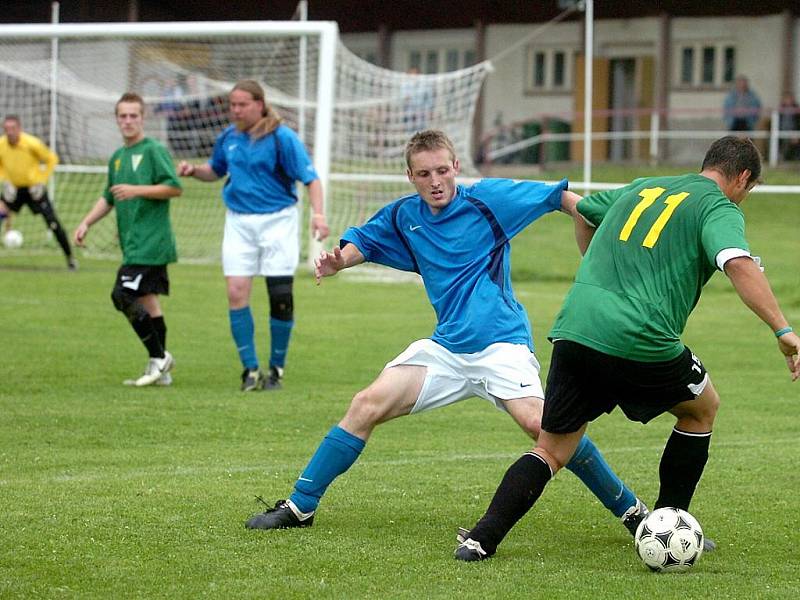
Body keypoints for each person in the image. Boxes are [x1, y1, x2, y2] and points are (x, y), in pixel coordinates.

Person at [244, 129, 648, 536]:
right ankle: (300, 506)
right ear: (410, 176)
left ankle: (633, 513)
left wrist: (596, 232)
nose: (435, 181)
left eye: (442, 170)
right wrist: (339, 261)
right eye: (424, 174)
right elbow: (364, 240)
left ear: (456, 167)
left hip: (501, 345)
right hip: (446, 350)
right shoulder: (405, 217)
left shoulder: (488, 200)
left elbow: (559, 198)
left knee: (543, 427)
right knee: (366, 404)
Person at [455, 136, 800, 562]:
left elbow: (582, 210)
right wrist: (783, 329)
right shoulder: (717, 206)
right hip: (642, 337)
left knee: (551, 448)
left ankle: (481, 540)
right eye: (748, 190)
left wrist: (598, 271)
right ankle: (671, 526)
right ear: (743, 178)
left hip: (576, 327)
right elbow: (737, 263)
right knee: (701, 408)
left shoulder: (643, 187)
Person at [178, 79, 329, 392]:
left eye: (242, 104)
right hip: (238, 223)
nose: (236, 110)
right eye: (232, 104)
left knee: (280, 297)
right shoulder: (228, 138)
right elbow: (215, 170)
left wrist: (318, 215)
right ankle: (249, 369)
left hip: (278, 222)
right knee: (235, 292)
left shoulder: (281, 137)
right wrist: (194, 171)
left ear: (259, 104)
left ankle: (276, 369)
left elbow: (310, 180)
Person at [73, 93, 182, 387]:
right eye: (123, 116)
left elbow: (174, 187)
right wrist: (86, 222)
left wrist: (137, 190)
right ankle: (162, 370)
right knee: (149, 301)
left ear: (143, 118)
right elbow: (109, 196)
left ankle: (159, 357)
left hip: (152, 242)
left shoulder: (153, 150)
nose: (128, 121)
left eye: (134, 115)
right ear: (117, 119)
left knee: (121, 294)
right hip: (133, 244)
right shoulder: (118, 158)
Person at [0, 115, 76, 269]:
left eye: (13, 129)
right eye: (6, 129)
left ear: (19, 129)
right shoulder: (1, 145)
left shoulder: (32, 143)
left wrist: (41, 181)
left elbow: (52, 159)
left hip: (34, 190)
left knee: (53, 222)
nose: (10, 132)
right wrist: (5, 180)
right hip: (13, 191)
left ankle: (70, 258)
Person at [778, 91, 800, 161]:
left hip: (793, 131)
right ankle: (783, 157)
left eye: (790, 99)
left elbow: (798, 124)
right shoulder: (780, 110)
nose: (789, 101)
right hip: (781, 131)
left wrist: (796, 134)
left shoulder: (797, 110)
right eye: (787, 99)